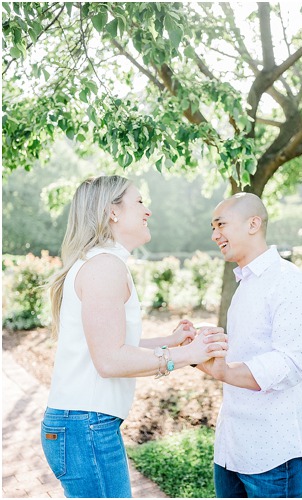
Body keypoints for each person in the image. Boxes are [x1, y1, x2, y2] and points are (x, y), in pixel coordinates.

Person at [42, 175, 229, 498]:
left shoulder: (103, 262)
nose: (148, 211)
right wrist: (188, 355)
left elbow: (111, 345)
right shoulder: (104, 267)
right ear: (112, 211)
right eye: (139, 201)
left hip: (82, 425)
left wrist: (169, 342)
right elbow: (110, 360)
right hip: (85, 426)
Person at [198, 193, 302, 498]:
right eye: (213, 227)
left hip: (273, 453)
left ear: (253, 224)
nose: (214, 235)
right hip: (231, 446)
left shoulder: (292, 283)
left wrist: (223, 371)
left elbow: (290, 365)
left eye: (221, 225)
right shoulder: (247, 282)